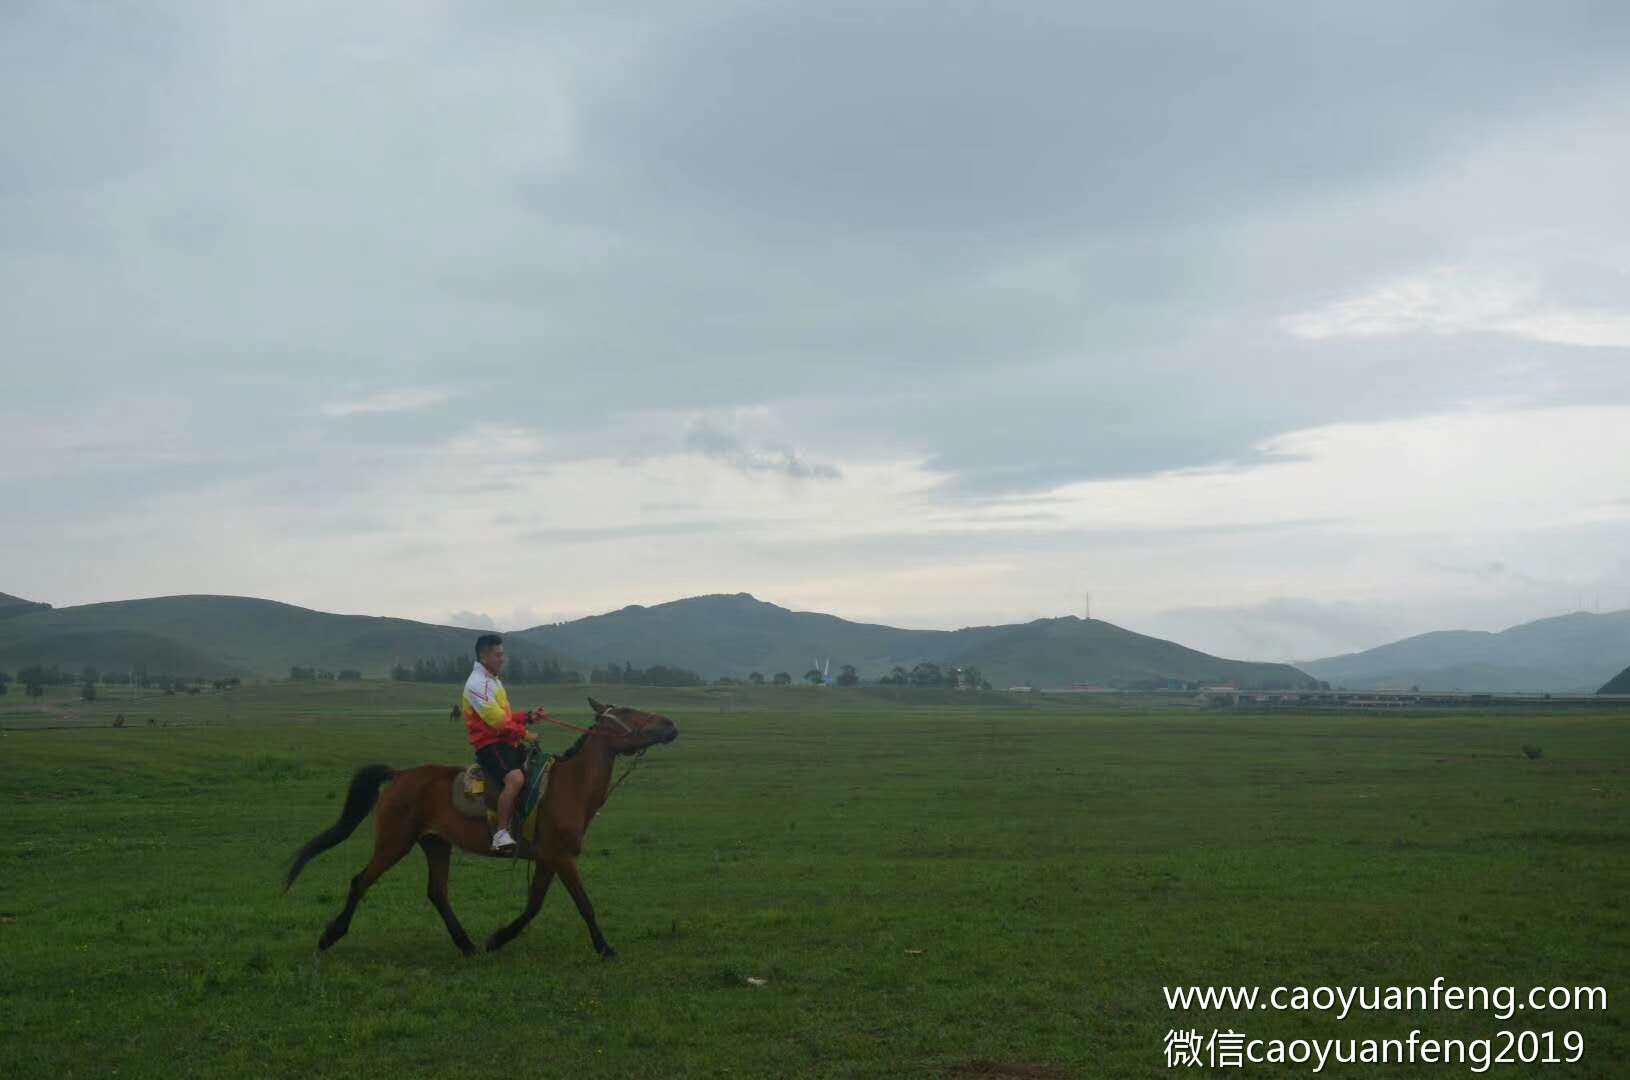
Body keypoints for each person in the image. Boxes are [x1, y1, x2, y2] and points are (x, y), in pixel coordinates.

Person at [462, 633, 550, 853]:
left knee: (542, 766)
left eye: (503, 654)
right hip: (490, 745)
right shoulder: (477, 684)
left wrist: (528, 716)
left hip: (506, 740)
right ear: (484, 657)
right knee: (516, 778)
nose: (503, 659)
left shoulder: (493, 680)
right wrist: (526, 734)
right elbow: (498, 722)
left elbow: (506, 716)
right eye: (498, 655)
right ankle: (501, 834)